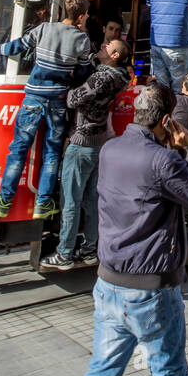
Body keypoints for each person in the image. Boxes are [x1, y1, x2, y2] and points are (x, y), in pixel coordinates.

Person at [70, 84, 188, 376]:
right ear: (165, 120)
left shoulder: (109, 149)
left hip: (108, 284)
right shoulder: (162, 160)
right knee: (169, 373)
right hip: (150, 291)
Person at [0, 0, 92, 219]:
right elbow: (83, 73)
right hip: (58, 100)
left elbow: (19, 46)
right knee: (52, 153)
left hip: (33, 98)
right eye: (86, 14)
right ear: (80, 16)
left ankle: (3, 200)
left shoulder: (44, 29)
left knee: (19, 149)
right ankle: (43, 203)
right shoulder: (82, 40)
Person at [42, 39, 132, 272]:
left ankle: (64, 254)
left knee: (70, 200)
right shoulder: (118, 78)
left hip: (81, 142)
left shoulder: (101, 78)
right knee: (92, 200)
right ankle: (90, 250)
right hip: (98, 142)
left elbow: (73, 99)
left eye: (106, 47)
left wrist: (69, 85)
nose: (102, 47)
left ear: (114, 56)